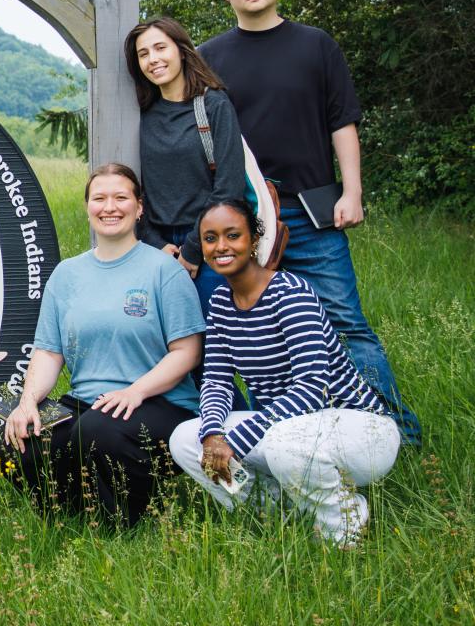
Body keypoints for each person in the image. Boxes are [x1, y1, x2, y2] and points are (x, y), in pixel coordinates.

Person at [198, 0, 420, 445]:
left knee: (347, 322)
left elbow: (342, 122)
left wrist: (353, 191)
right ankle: (257, 440)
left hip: (313, 211)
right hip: (243, 218)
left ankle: (393, 435)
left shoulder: (315, 44)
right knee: (239, 331)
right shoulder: (209, 57)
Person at [169, 201, 400, 546]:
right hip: (286, 429)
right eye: (210, 238)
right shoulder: (220, 301)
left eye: (233, 235)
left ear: (254, 239)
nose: (221, 247)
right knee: (187, 439)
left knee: (282, 442)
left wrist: (234, 441)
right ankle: (276, 513)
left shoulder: (291, 294)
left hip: (360, 430)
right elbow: (217, 380)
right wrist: (214, 433)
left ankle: (345, 523)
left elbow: (311, 388)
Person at [0, 163, 205, 526]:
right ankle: (68, 514)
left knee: (95, 428)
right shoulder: (67, 275)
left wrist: (135, 391)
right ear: (88, 207)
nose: (110, 207)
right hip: (87, 404)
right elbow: (49, 352)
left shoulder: (164, 271)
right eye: (99, 198)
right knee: (5, 429)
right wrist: (27, 402)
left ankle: (123, 522)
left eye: (121, 197)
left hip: (159, 403)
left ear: (139, 208)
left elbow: (188, 351)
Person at [124, 16, 247, 315]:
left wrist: (194, 248)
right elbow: (136, 188)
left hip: (212, 243)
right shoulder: (140, 115)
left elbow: (229, 187)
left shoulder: (213, 105)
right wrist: (154, 243)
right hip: (156, 245)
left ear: (181, 50)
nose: (153, 59)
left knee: (215, 336)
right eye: (143, 54)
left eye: (160, 48)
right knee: (169, 342)